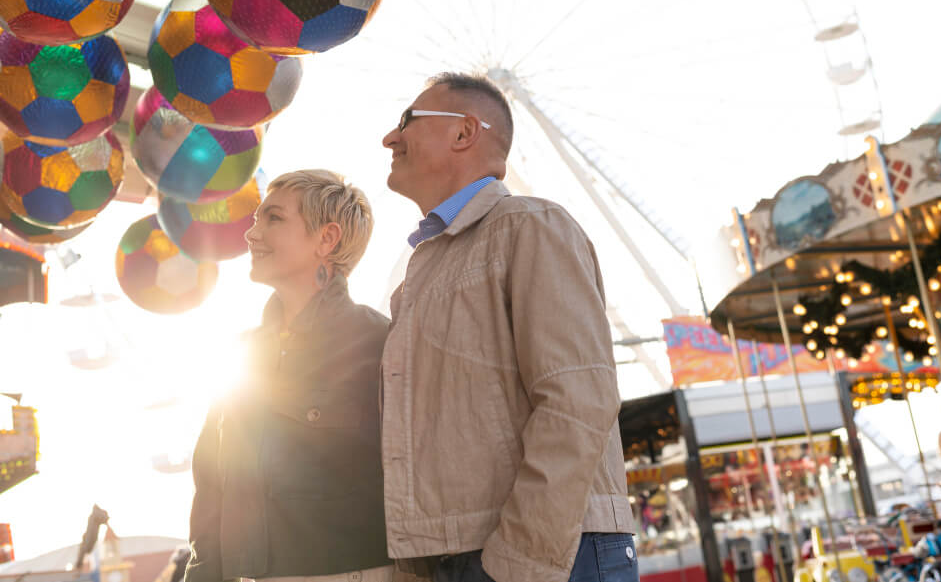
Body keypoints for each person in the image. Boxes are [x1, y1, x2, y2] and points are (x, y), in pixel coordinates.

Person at [380, 73, 638, 582]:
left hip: (546, 552)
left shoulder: (530, 226)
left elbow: (578, 398)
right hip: (465, 553)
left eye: (407, 120)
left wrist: (518, 563)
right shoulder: (422, 275)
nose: (390, 138)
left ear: (464, 133)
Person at [184, 170, 394, 582]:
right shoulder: (240, 352)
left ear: (326, 239)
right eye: (257, 219)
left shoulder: (381, 343)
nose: (251, 234)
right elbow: (211, 487)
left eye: (274, 219)